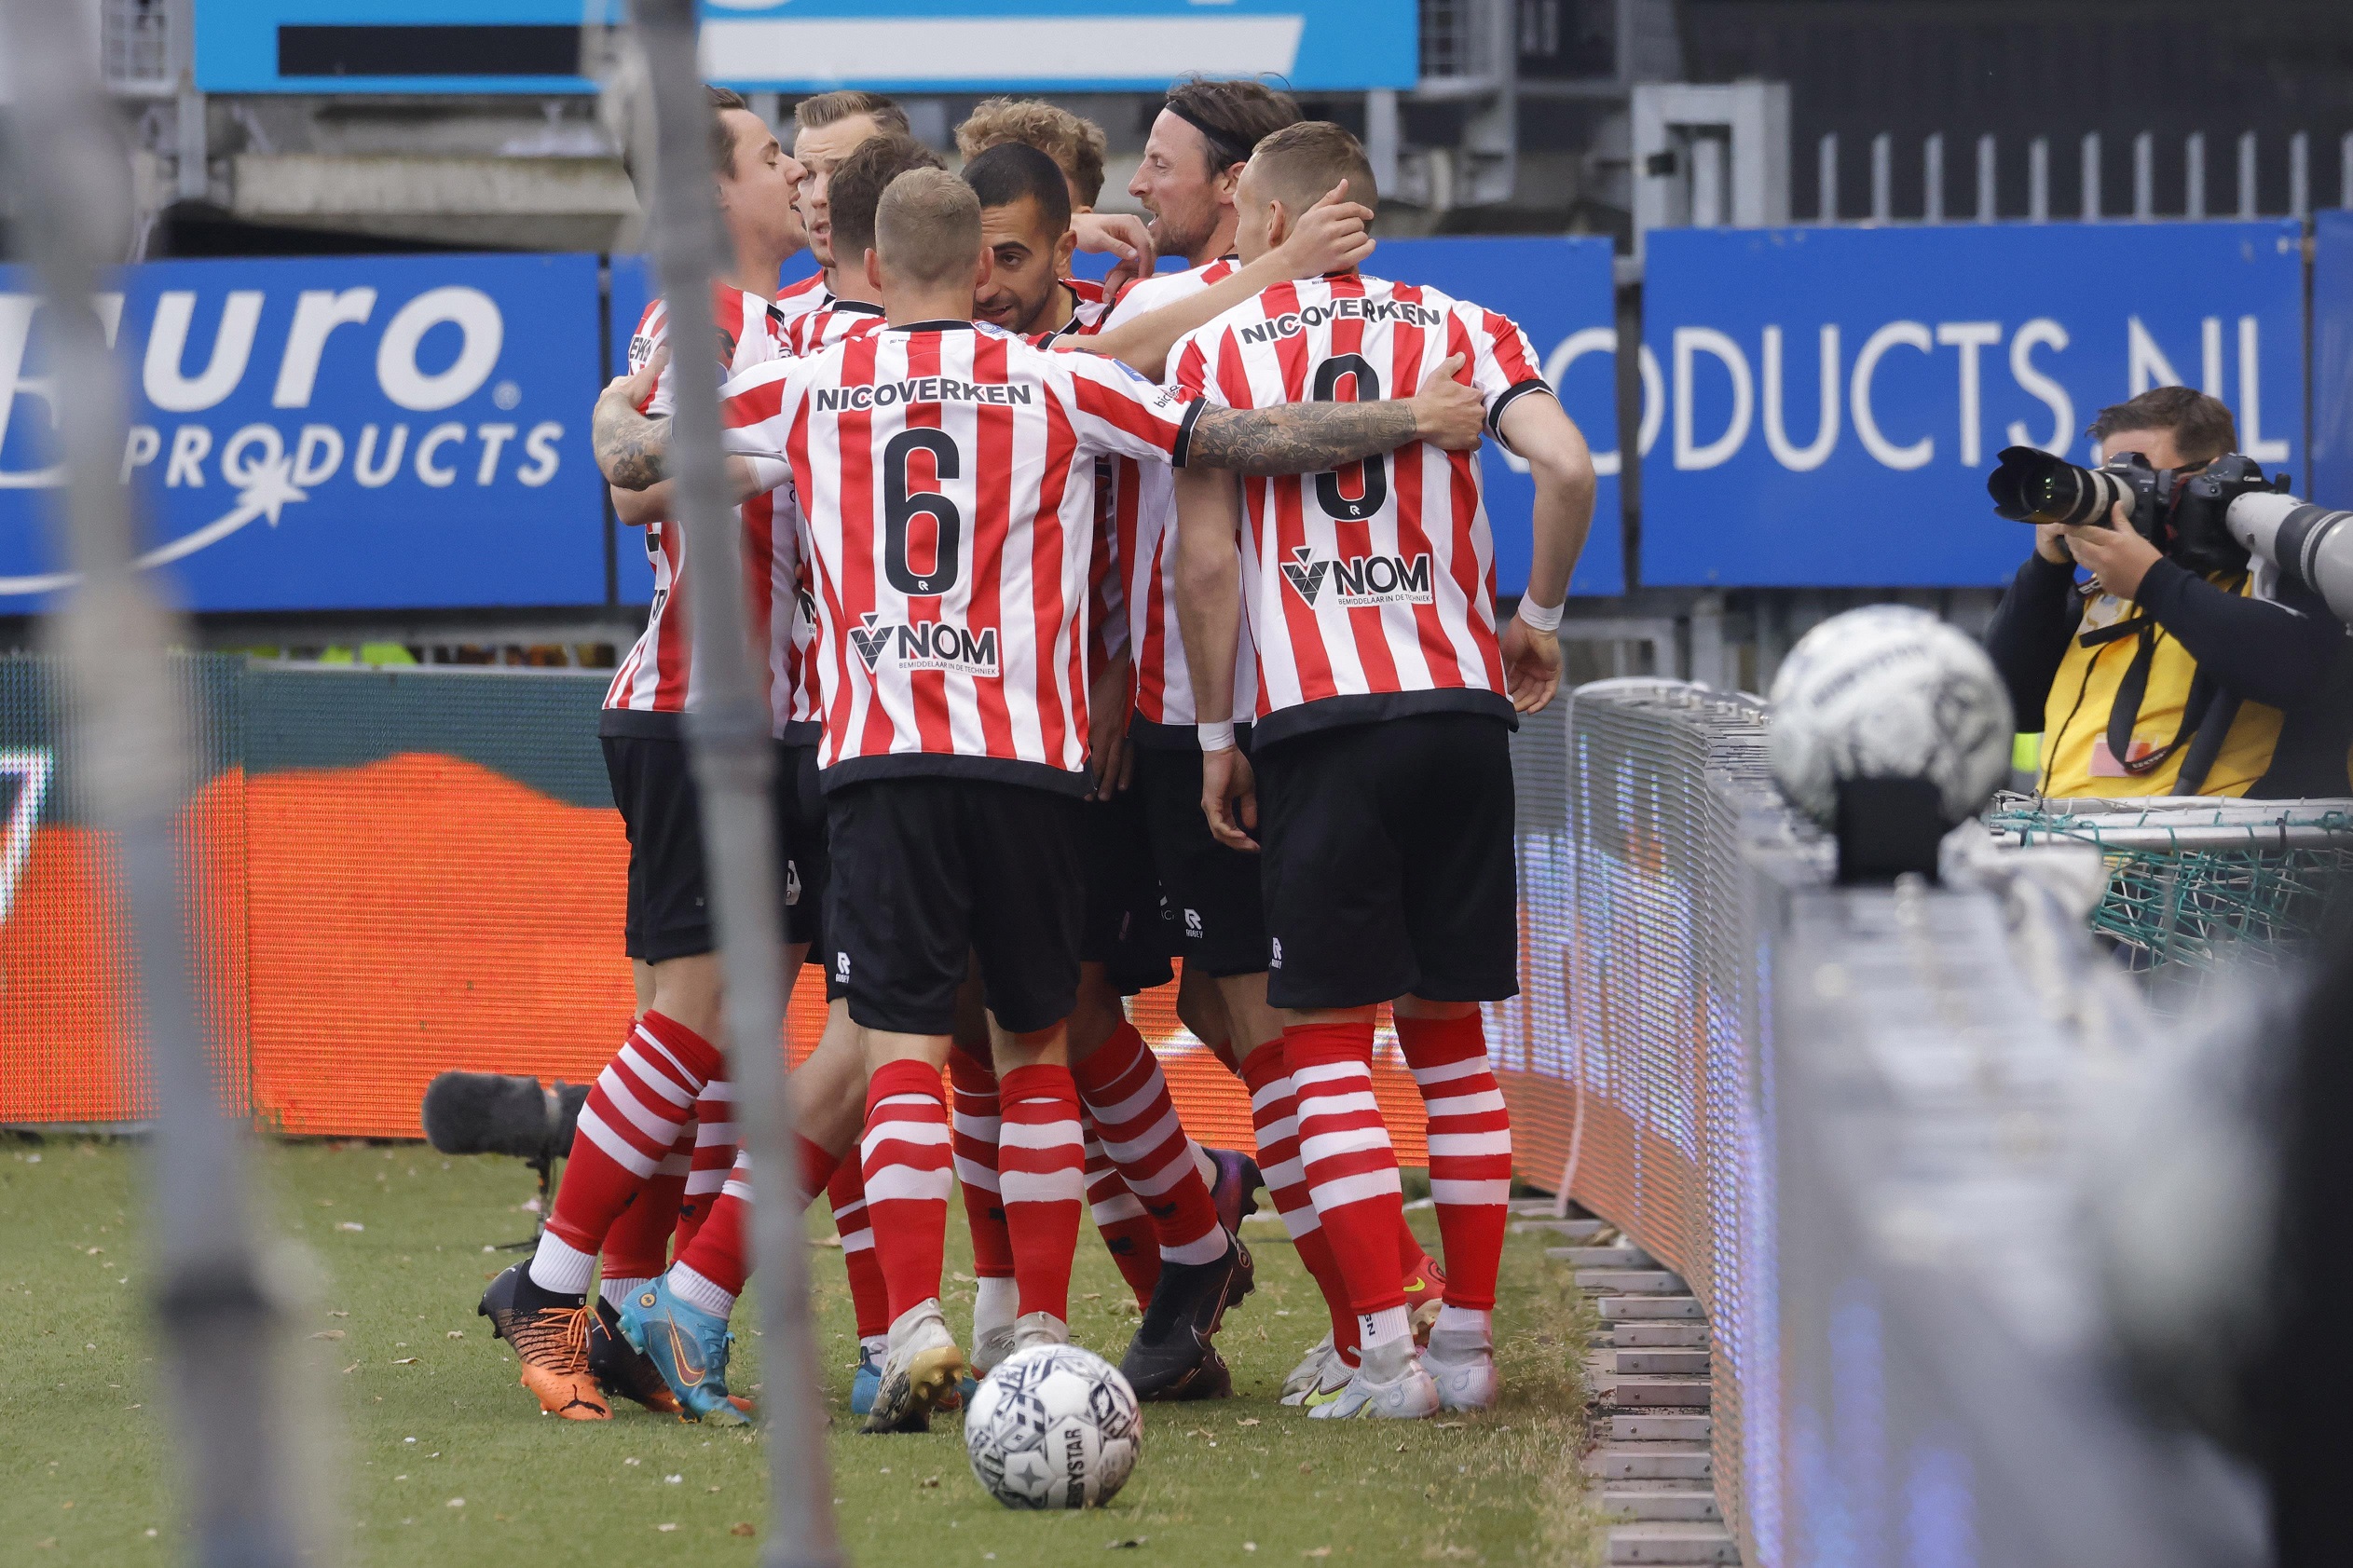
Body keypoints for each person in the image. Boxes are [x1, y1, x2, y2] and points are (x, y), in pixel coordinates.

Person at [594, 165, 1487, 1433]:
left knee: (900, 1041)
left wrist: (616, 397)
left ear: (874, 267)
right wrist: (1406, 416)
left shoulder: (805, 382)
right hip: (1033, 764)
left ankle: (909, 1320)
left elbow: (635, 460)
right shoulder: (1059, 379)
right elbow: (1235, 440)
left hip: (880, 760)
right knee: (1032, 1050)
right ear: (977, 271)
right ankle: (1040, 1333)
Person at [1170, 122, 1598, 1420]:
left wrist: (1215, 734)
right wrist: (1537, 614)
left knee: (1324, 1050)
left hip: (1322, 720)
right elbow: (1569, 466)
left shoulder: (1219, 342)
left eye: (1248, 212)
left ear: (1281, 215)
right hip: (1461, 708)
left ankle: (1382, 1359)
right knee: (1452, 1044)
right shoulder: (1471, 326)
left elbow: (1204, 566)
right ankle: (1463, 1348)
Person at [478, 86, 865, 1424]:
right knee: (699, 1021)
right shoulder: (695, 313)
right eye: (774, 160)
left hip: (753, 719)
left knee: (721, 1035)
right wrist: (776, 452)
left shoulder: (771, 320)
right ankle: (550, 1284)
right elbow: (637, 475)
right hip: (705, 711)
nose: (795, 181)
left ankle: (638, 1305)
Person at [1983, 386, 2352, 798]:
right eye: (2109, 477)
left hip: (2216, 856)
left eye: (2136, 476)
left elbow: (2303, 672)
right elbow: (2001, 703)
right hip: (2067, 851)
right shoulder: (2100, 595)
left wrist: (2153, 581)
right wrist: (2046, 571)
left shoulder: (2273, 574)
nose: (2118, 499)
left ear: (2209, 477)